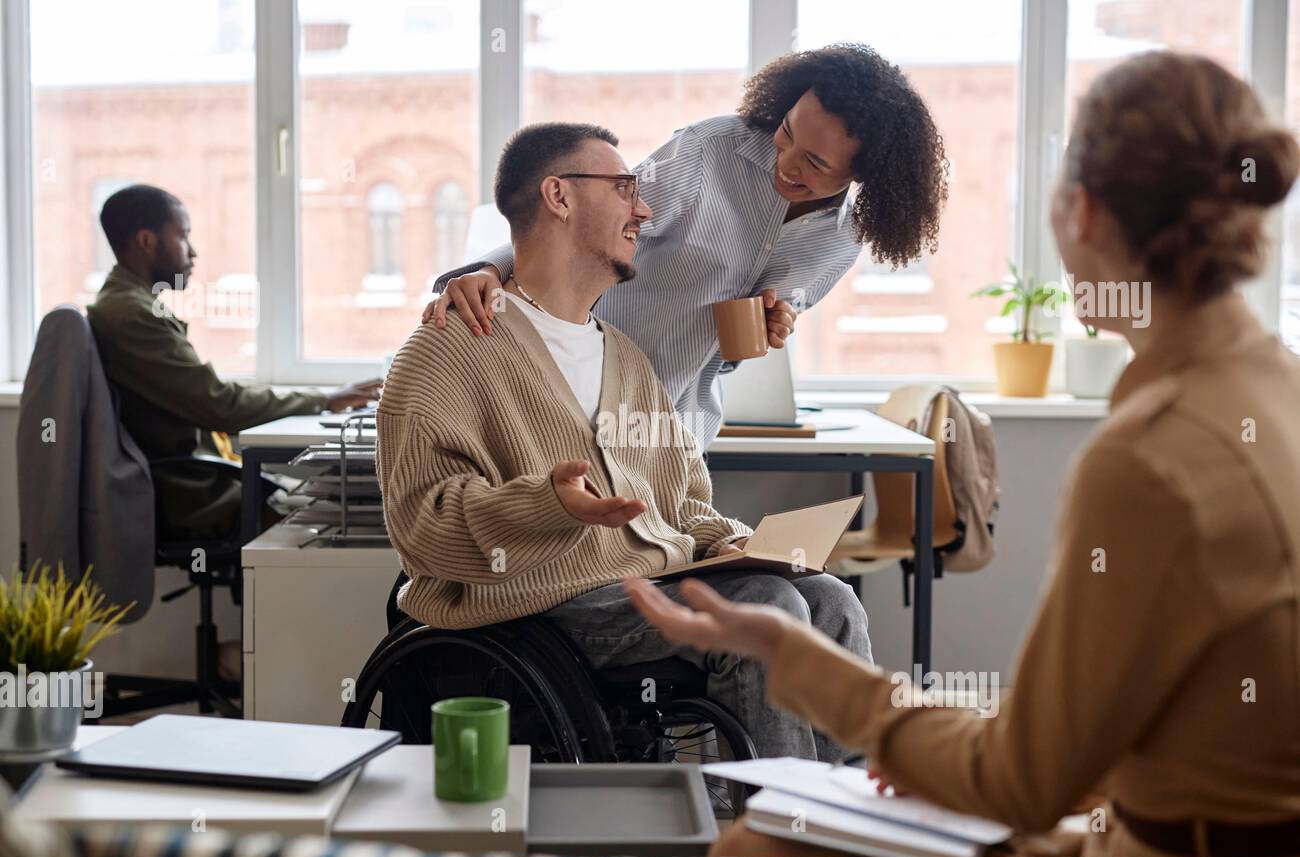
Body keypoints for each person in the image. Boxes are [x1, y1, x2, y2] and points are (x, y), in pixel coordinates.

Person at [624, 51, 1300, 857]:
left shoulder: (1148, 459)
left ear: (1081, 212)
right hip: (1172, 827)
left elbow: (1020, 779)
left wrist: (803, 663)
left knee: (756, 849)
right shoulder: (1273, 389)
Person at [377, 122, 871, 760]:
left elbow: (684, 502)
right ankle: (779, 838)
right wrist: (547, 505)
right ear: (559, 197)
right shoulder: (451, 345)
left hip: (644, 583)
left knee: (831, 600)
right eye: (623, 188)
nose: (643, 208)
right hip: (545, 601)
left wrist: (736, 544)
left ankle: (850, 819)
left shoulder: (627, 358)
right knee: (768, 607)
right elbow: (423, 529)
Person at [423, 43, 948, 447]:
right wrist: (489, 270)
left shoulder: (843, 238)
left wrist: (768, 328)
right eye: (788, 134)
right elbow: (588, 224)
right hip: (578, 403)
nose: (787, 162)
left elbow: (731, 354)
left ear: (863, 172)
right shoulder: (709, 150)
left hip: (677, 432)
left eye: (816, 163)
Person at [87, 184, 381, 541]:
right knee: (341, 521)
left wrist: (323, 398)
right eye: (183, 236)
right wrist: (324, 400)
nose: (192, 252)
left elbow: (211, 396)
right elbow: (219, 405)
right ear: (146, 241)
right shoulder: (133, 315)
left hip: (201, 476)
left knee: (336, 498)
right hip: (193, 490)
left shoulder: (127, 305)